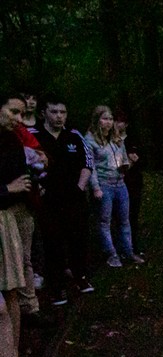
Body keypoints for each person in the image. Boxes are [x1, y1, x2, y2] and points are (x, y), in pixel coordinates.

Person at [0, 92, 51, 357]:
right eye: (13, 112)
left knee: (5, 305)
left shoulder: (10, 140)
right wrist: (7, 188)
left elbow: (29, 170)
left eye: (21, 113)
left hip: (7, 216)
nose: (19, 119)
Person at [32, 95, 95, 306]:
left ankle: (80, 276)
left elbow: (87, 163)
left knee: (78, 238)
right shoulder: (34, 136)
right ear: (44, 113)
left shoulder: (74, 136)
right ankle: (56, 286)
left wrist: (80, 187)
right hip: (48, 200)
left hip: (74, 198)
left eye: (63, 112)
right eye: (54, 112)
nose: (59, 117)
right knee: (53, 242)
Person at [84, 106, 143, 268]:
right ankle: (111, 254)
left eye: (110, 119)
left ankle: (128, 251)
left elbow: (123, 157)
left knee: (125, 220)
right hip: (104, 184)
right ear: (97, 121)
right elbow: (91, 166)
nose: (109, 123)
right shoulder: (89, 141)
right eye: (105, 119)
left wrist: (127, 164)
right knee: (104, 221)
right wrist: (95, 187)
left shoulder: (116, 138)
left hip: (120, 183)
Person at [114, 112, 145, 257]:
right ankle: (119, 246)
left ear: (126, 124)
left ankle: (133, 246)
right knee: (117, 216)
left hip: (134, 183)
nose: (117, 124)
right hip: (116, 183)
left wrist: (134, 160)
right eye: (115, 120)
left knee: (132, 215)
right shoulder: (110, 141)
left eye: (121, 121)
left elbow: (142, 160)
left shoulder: (134, 140)